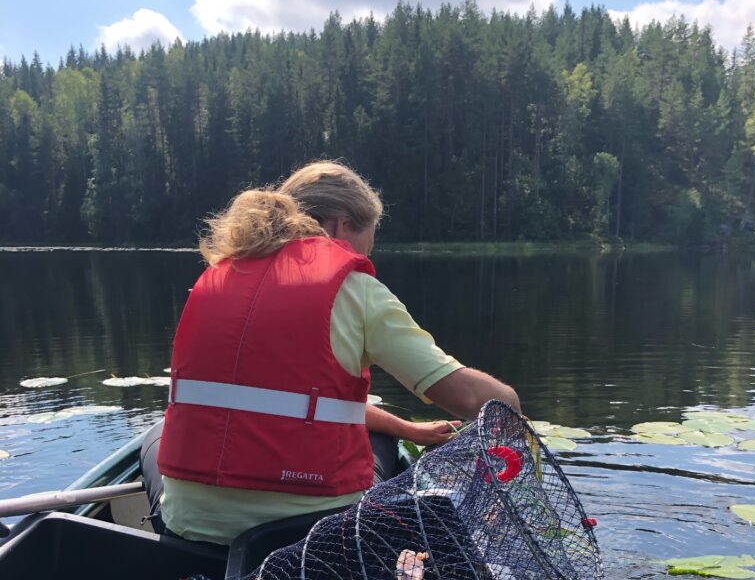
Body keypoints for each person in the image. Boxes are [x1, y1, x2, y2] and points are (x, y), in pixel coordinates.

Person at [144, 160, 520, 546]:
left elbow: (300, 404)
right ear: (340, 226)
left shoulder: (214, 278)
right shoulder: (355, 289)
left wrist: (409, 429)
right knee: (381, 445)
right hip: (314, 537)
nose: (368, 253)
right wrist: (509, 400)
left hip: (194, 528)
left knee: (156, 434)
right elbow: (471, 399)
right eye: (368, 239)